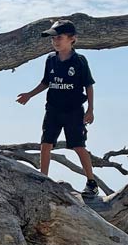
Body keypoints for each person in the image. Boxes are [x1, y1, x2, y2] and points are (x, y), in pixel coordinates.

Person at [16, 18, 99, 197]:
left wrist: (90, 110)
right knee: (46, 144)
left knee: (78, 146)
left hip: (74, 110)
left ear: (72, 39)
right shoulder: (50, 59)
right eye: (52, 38)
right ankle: (43, 178)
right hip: (53, 109)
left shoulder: (79, 61)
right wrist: (29, 95)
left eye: (58, 37)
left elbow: (89, 85)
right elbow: (46, 82)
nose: (55, 41)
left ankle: (91, 182)